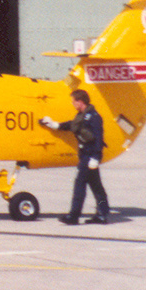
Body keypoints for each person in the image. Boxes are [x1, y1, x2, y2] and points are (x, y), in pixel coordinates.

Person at [40, 89, 110, 225]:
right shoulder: (81, 116)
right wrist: (54, 124)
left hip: (89, 157)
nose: (72, 104)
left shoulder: (94, 117)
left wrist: (96, 158)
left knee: (80, 186)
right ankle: (102, 214)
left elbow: (98, 139)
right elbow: (71, 125)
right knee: (97, 187)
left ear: (80, 102)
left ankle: (74, 216)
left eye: (74, 101)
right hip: (85, 156)